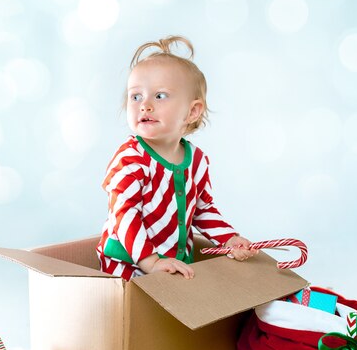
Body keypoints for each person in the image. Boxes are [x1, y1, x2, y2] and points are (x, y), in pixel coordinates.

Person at [97, 35, 257, 281]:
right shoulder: (131, 158)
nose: (144, 105)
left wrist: (229, 239)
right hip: (128, 264)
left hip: (175, 261)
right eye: (135, 96)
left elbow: (203, 209)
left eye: (159, 96)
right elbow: (124, 213)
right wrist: (150, 262)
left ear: (192, 111)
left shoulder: (196, 160)